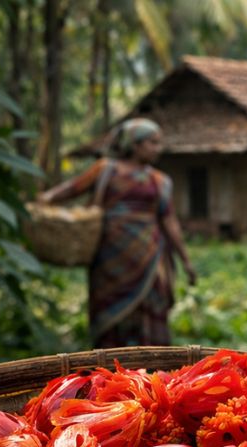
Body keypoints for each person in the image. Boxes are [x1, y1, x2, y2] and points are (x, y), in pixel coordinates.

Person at [38, 118, 195, 348]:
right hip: (110, 255)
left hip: (149, 255)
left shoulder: (160, 181)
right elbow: (72, 188)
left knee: (151, 305)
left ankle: (152, 360)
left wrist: (185, 260)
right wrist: (45, 199)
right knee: (109, 304)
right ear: (135, 144)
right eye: (153, 142)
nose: (158, 149)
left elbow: (169, 219)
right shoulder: (106, 169)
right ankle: (111, 361)